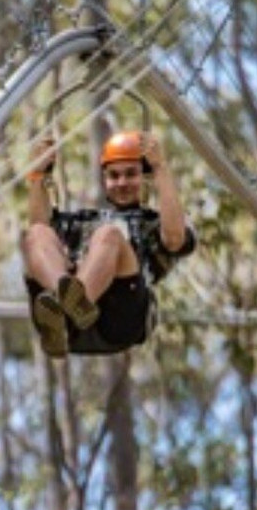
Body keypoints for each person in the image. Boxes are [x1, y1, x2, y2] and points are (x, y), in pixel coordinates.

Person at [20, 130, 196, 356]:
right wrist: (38, 173)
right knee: (36, 233)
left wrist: (160, 168)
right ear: (104, 180)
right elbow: (39, 232)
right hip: (67, 332)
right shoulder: (81, 221)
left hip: (119, 319)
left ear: (145, 177)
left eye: (131, 174)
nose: (122, 183)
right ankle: (66, 310)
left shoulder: (151, 225)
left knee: (109, 235)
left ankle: (71, 308)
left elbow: (174, 238)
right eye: (114, 176)